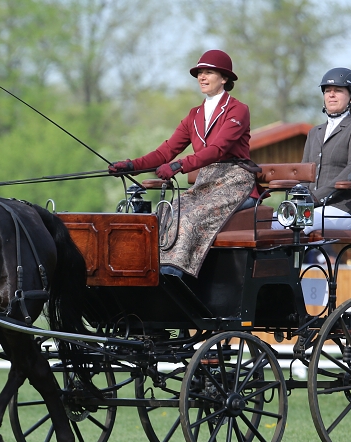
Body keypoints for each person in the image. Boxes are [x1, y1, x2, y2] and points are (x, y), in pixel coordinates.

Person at [108, 49, 259, 277]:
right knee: (166, 212)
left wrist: (179, 166)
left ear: (225, 78)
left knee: (189, 217)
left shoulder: (238, 110)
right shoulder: (194, 115)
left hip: (235, 180)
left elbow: (217, 150)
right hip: (206, 181)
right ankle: (146, 270)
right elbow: (166, 151)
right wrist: (132, 166)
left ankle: (174, 274)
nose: (202, 77)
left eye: (209, 72)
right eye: (199, 73)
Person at [274, 67, 351, 234]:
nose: (331, 95)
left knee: (300, 223)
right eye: (327, 91)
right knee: (272, 222)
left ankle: (297, 261)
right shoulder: (314, 132)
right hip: (312, 207)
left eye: (338, 90)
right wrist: (299, 195)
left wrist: (316, 197)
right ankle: (279, 261)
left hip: (344, 210)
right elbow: (305, 172)